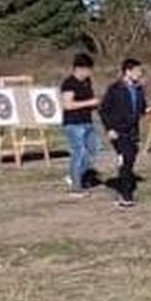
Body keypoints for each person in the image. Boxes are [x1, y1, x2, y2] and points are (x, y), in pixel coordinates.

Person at [99, 59, 151, 209]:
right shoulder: (115, 89)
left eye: (140, 71)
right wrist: (109, 128)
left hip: (132, 131)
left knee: (129, 159)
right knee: (126, 158)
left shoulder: (138, 89)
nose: (139, 74)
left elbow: (141, 110)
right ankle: (125, 194)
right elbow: (103, 110)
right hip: (118, 131)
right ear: (127, 71)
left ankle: (124, 185)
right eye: (137, 71)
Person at [59, 53, 101, 197]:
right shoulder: (69, 83)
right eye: (88, 69)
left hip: (87, 121)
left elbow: (88, 100)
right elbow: (67, 105)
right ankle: (76, 187)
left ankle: (75, 175)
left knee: (94, 151)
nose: (90, 72)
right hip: (73, 124)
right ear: (79, 68)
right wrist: (89, 103)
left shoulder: (87, 81)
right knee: (79, 153)